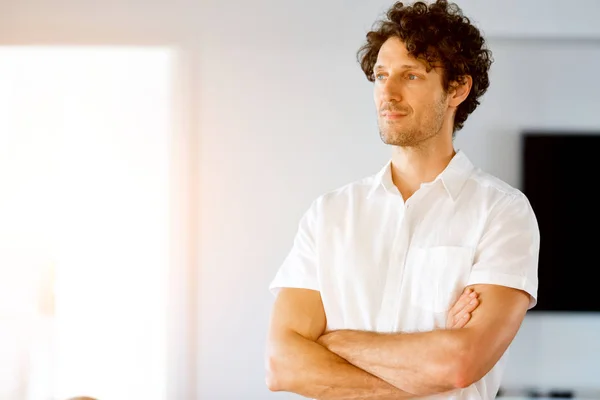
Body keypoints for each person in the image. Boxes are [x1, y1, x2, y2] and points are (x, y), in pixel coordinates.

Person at [265, 0, 539, 399]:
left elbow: (459, 364)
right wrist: (424, 371)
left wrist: (332, 342)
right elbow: (281, 364)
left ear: (457, 89)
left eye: (410, 76)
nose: (387, 94)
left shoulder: (501, 212)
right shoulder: (329, 215)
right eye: (380, 76)